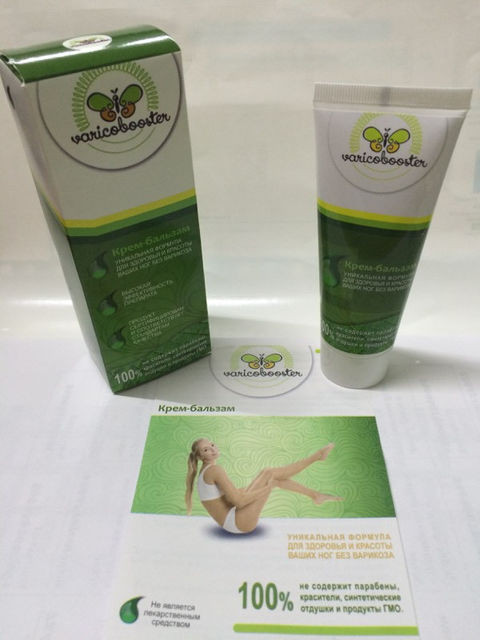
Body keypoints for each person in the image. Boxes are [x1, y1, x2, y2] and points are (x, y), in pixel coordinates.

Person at [185, 438, 342, 534]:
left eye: (212, 444)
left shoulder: (206, 471)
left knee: (268, 475)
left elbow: (229, 498)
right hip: (237, 523)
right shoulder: (214, 470)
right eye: (206, 449)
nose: (213, 449)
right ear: (200, 456)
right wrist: (267, 488)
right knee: (269, 475)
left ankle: (315, 495)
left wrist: (257, 486)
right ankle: (316, 457)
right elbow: (239, 501)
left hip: (232, 518)